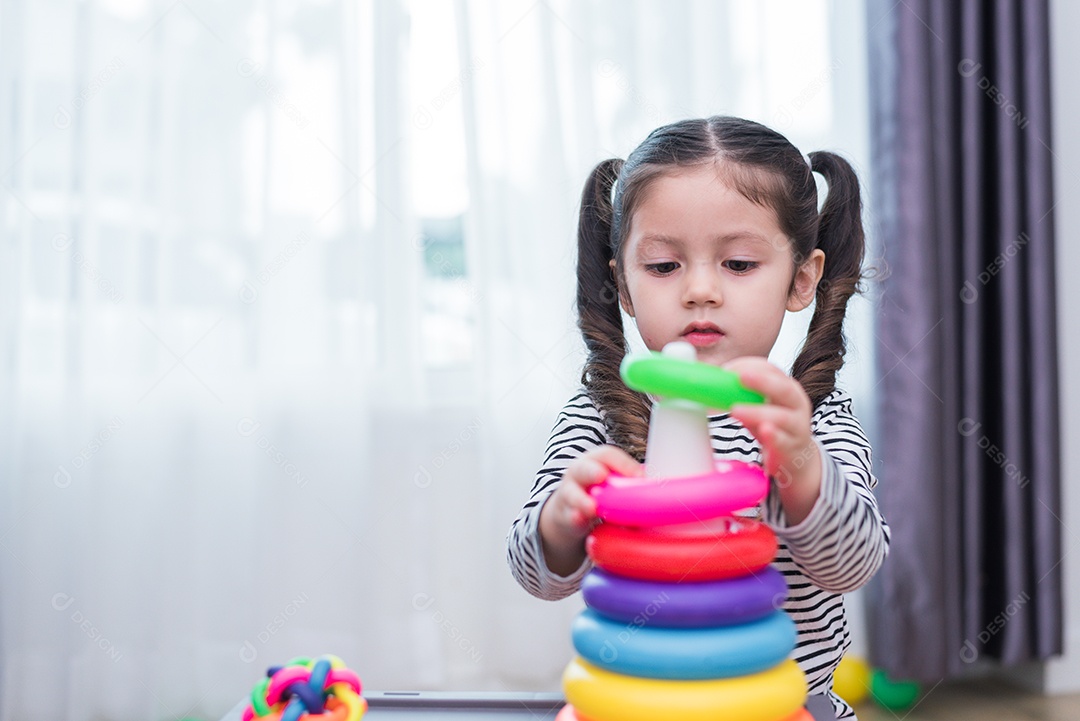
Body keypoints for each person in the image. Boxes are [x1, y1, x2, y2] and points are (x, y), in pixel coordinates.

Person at [506, 116, 891, 721]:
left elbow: (852, 566)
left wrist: (797, 467)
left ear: (802, 279)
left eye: (738, 264)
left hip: (789, 707)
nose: (701, 291)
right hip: (637, 705)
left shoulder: (814, 421)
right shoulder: (598, 419)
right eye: (663, 267)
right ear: (624, 289)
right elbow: (538, 577)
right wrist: (564, 517)